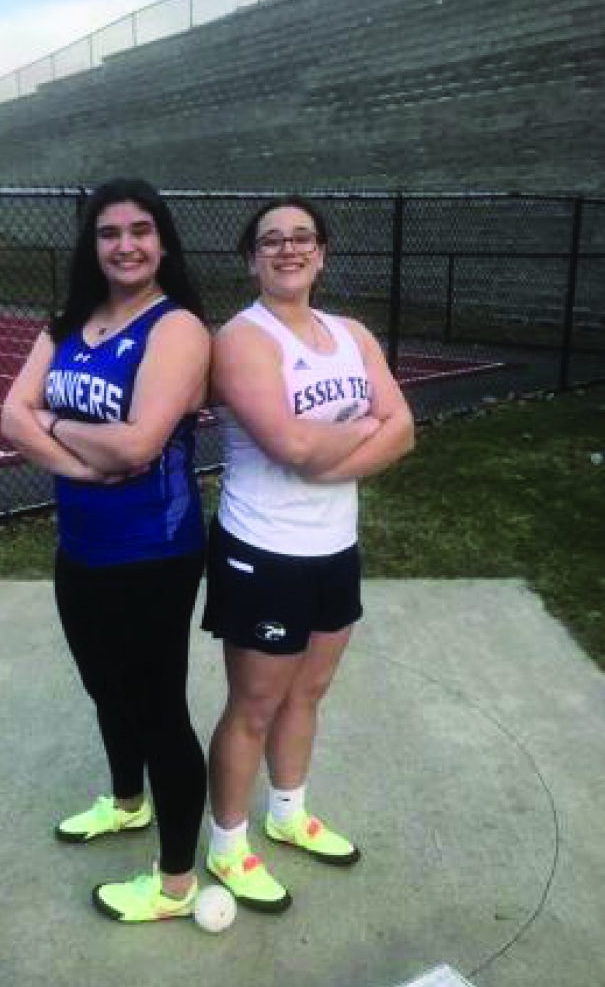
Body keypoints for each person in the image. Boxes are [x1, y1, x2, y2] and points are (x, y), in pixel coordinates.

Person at [0, 177, 210, 923]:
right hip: (80, 544)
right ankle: (127, 804)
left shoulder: (176, 327)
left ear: (162, 241)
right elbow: (10, 415)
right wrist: (85, 457)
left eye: (140, 230)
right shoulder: (65, 323)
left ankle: (177, 885)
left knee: (158, 711)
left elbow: (141, 442)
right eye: (109, 232)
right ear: (91, 245)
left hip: (152, 552)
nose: (125, 244)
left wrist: (52, 421)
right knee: (103, 688)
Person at [202, 195, 415, 912]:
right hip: (263, 550)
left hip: (334, 546)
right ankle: (227, 845)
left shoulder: (351, 332)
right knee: (253, 704)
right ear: (251, 258)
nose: (287, 249)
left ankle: (287, 812)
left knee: (309, 692)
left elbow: (404, 428)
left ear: (321, 253)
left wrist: (327, 452)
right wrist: (360, 432)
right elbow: (289, 447)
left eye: (301, 237)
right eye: (271, 240)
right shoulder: (241, 338)